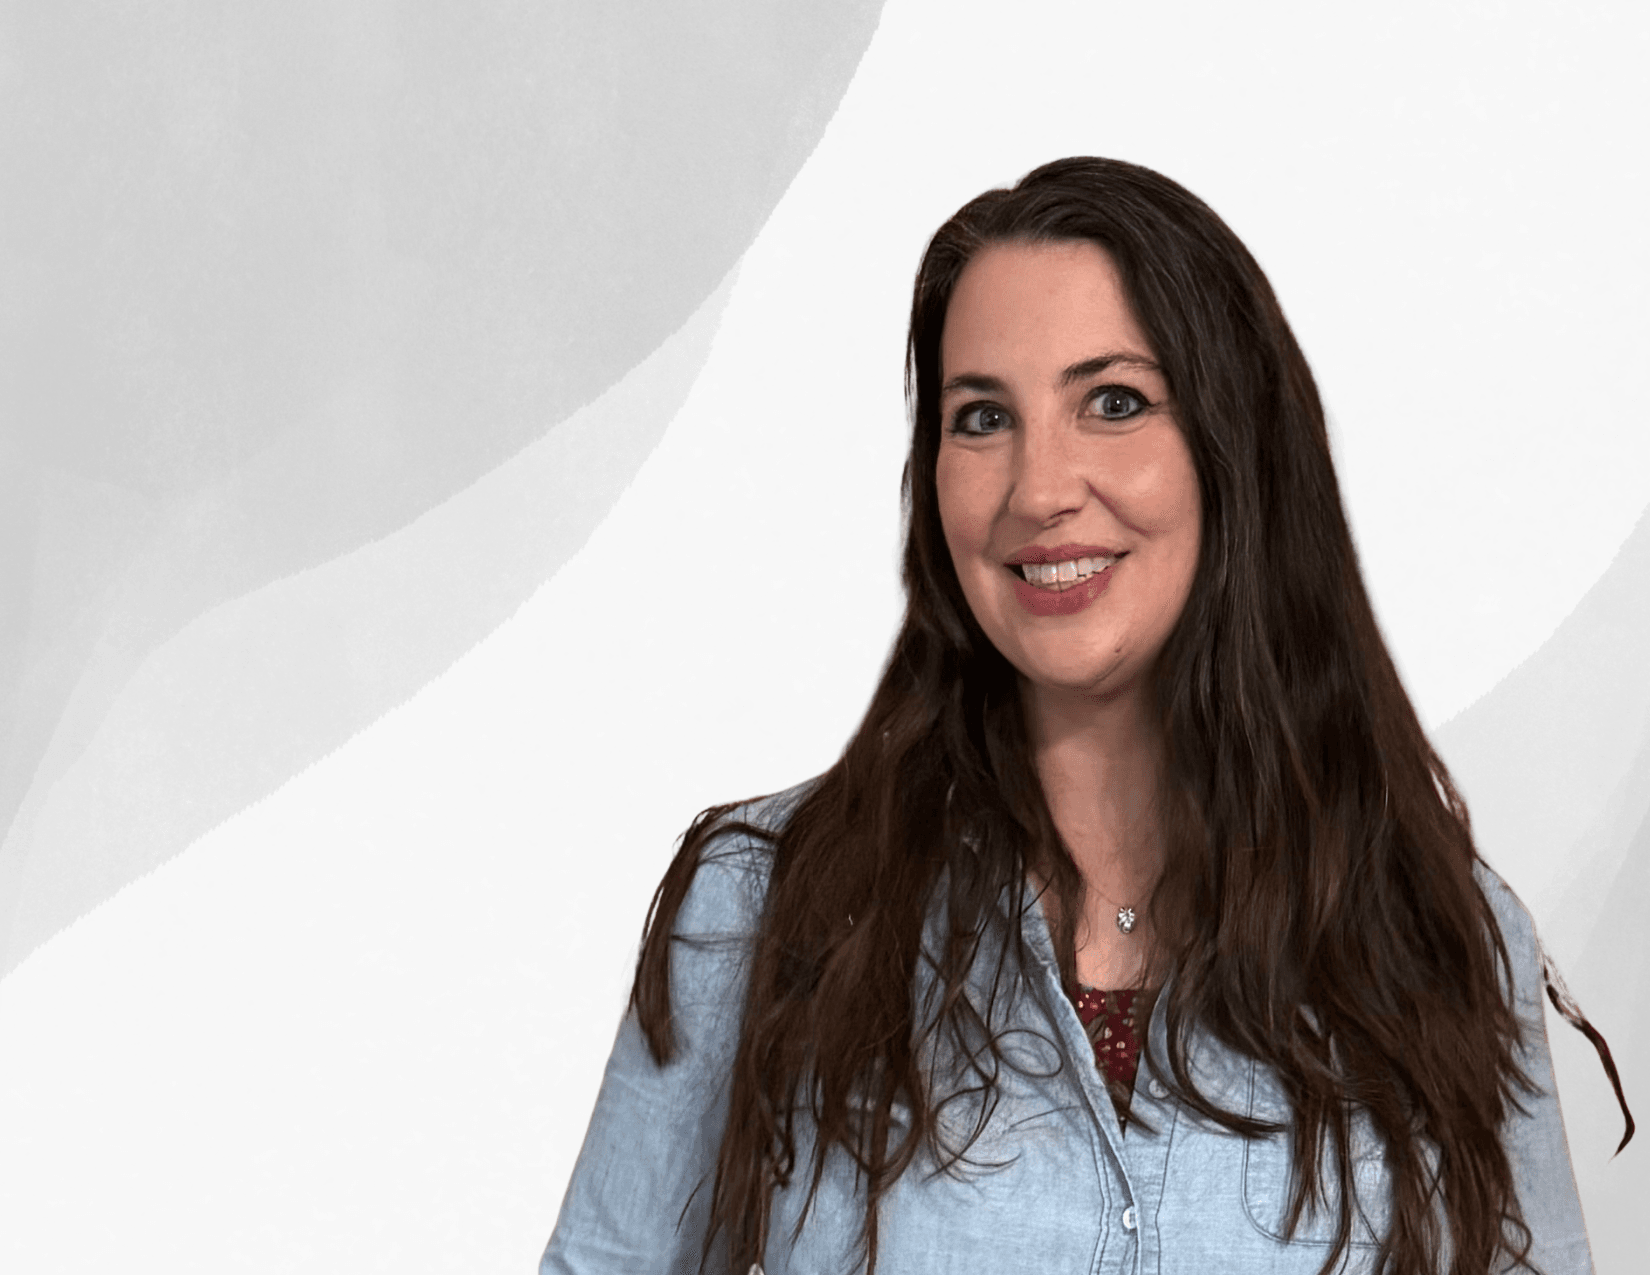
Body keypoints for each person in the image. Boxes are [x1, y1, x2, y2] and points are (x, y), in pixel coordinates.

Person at [539, 158, 1631, 1275]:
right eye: (980, 418)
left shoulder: (1434, 934)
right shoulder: (758, 906)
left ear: (1232, 449)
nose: (1038, 487)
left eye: (1113, 402)